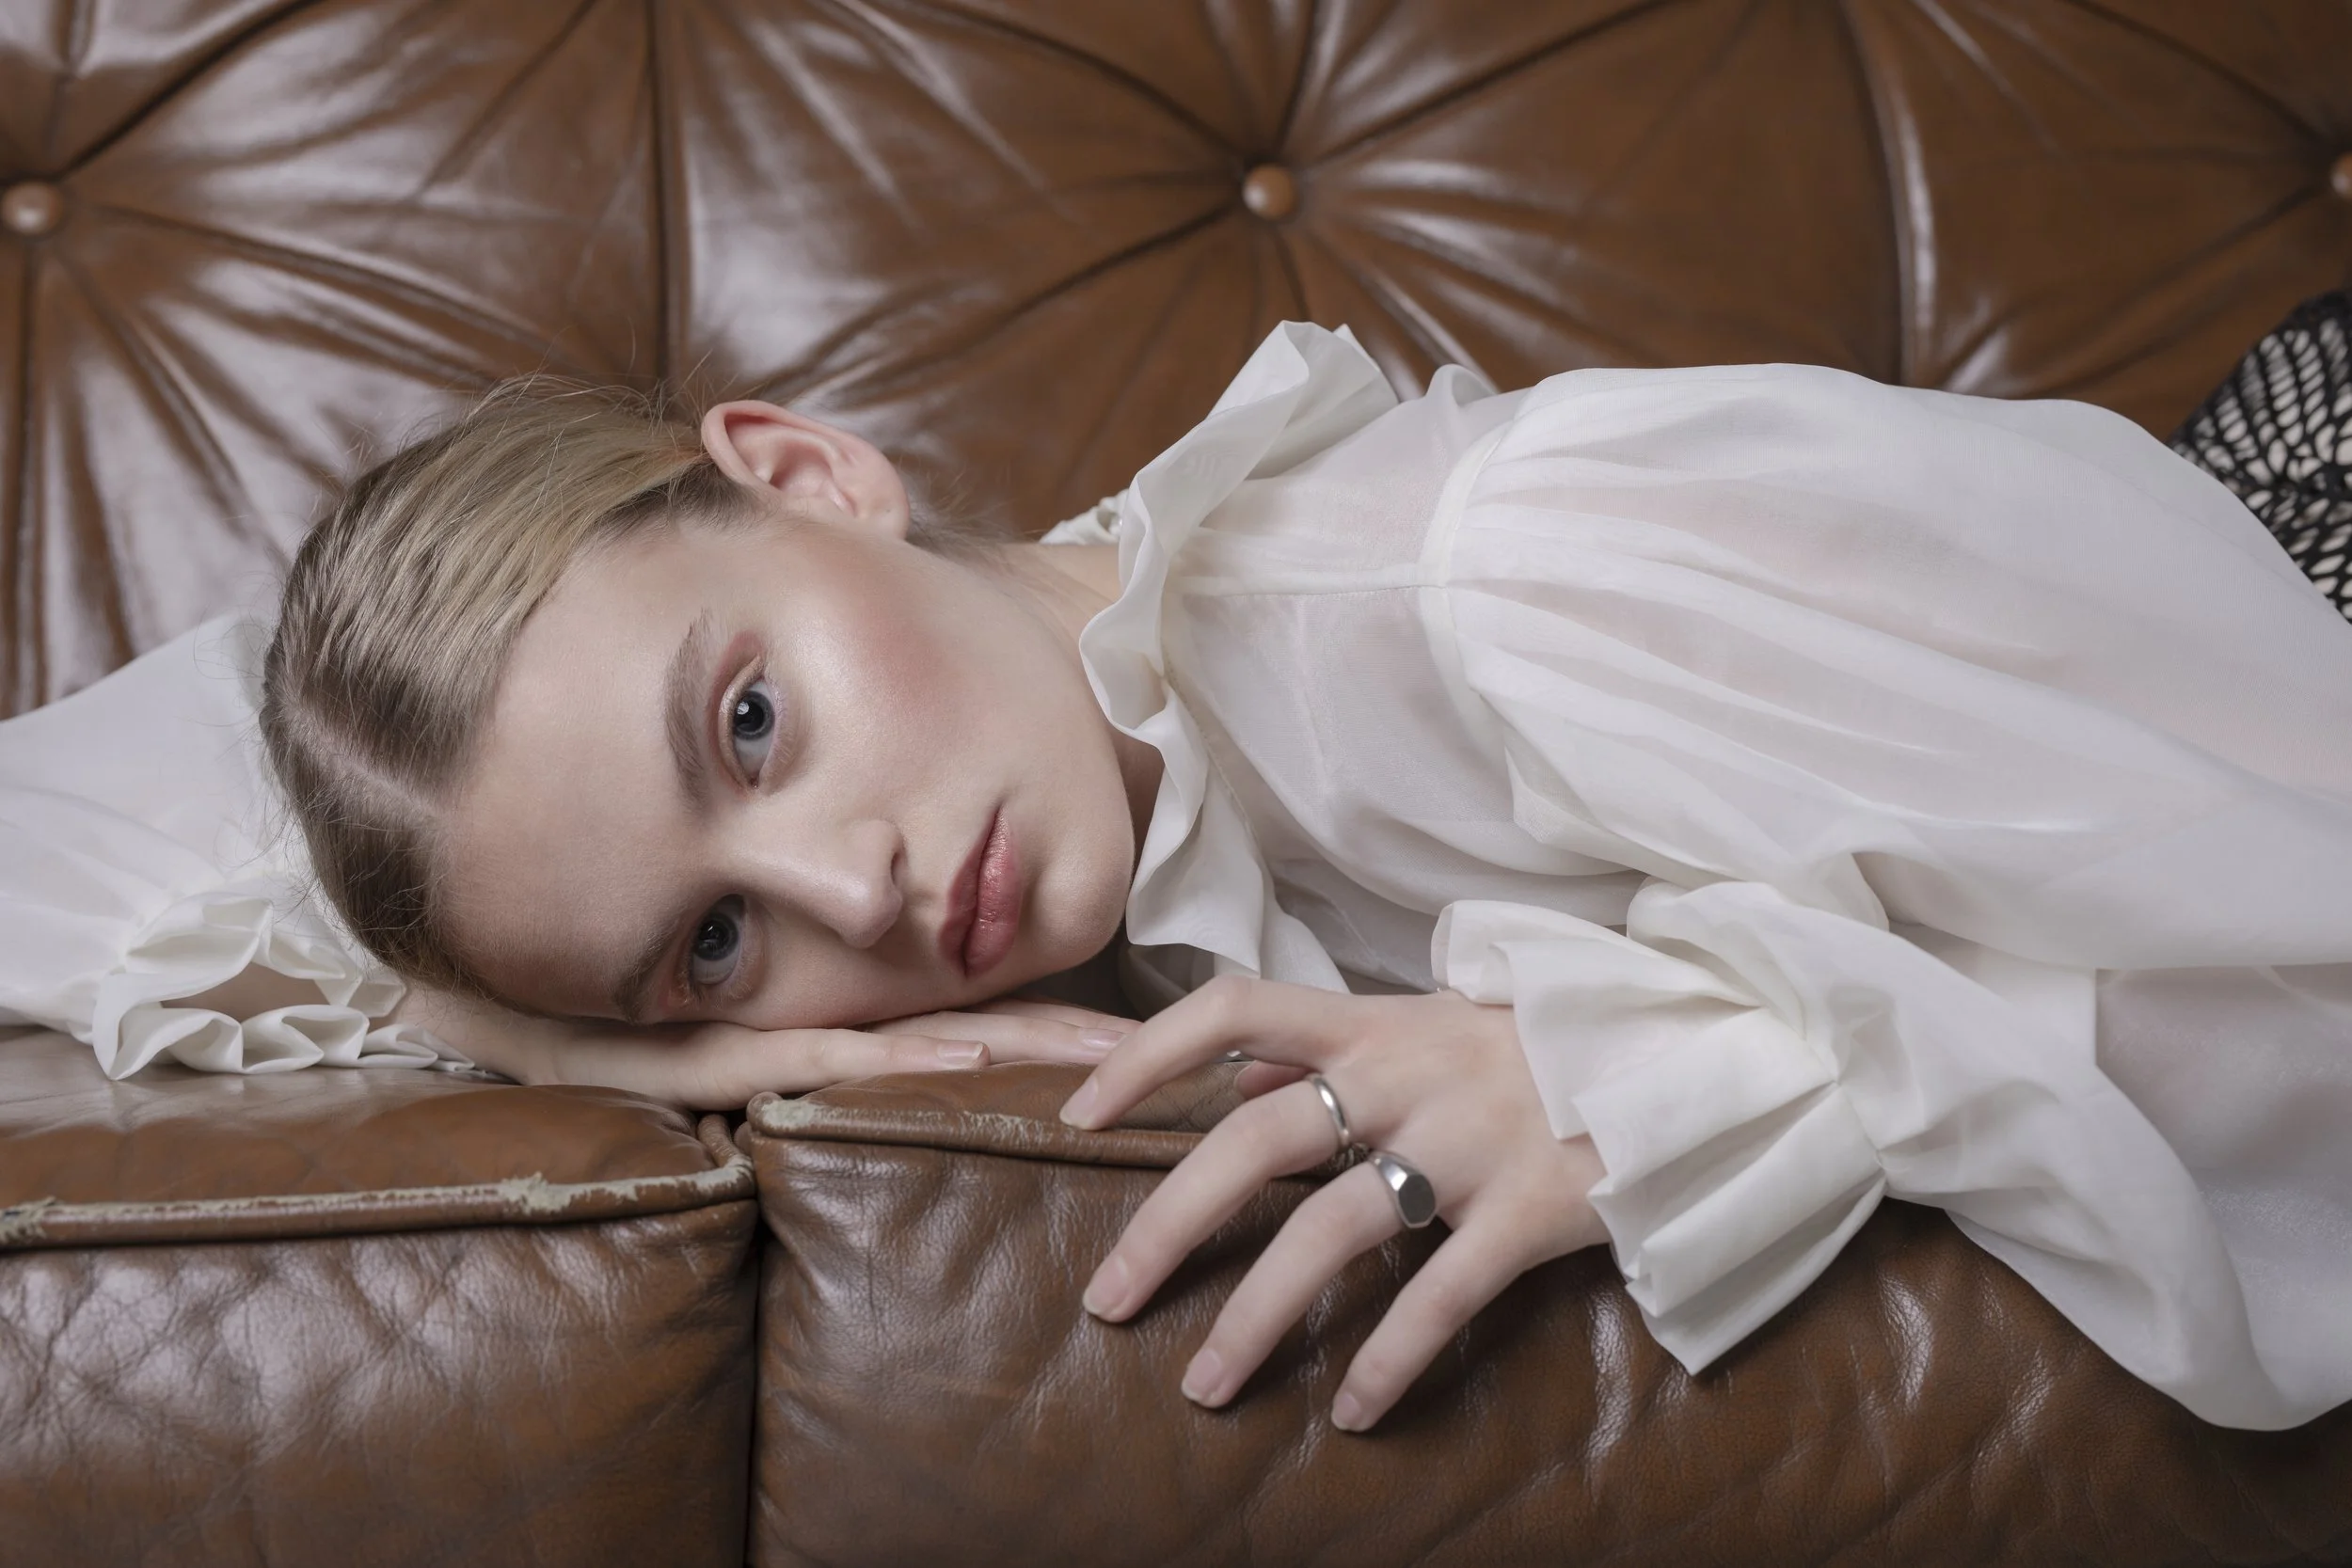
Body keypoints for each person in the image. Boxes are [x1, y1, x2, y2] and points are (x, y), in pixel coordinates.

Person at [8, 321, 2352, 1440]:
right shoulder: (1129, 795)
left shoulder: (1499, 572)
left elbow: (2297, 942)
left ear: (811, 474)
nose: (857, 881)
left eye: (748, 720)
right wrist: (574, 1023)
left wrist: (1664, 1056)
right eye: (717, 933)